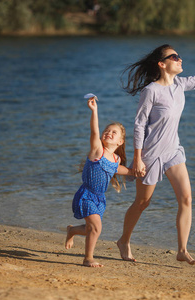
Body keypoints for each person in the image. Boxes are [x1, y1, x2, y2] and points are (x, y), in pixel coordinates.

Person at [117, 35, 195, 265]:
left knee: (186, 198)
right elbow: (139, 125)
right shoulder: (151, 91)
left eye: (179, 56)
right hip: (151, 154)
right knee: (142, 203)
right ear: (162, 64)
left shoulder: (180, 85)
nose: (180, 59)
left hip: (173, 151)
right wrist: (138, 158)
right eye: (174, 57)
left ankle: (182, 250)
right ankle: (124, 240)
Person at [65, 96, 142, 267]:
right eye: (107, 130)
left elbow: (123, 170)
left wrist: (137, 171)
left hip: (100, 198)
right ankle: (88, 258)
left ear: (120, 141)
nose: (109, 133)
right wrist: (94, 111)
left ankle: (71, 230)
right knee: (96, 228)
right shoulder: (97, 150)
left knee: (91, 229)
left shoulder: (115, 159)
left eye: (114, 132)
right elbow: (94, 131)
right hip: (86, 195)